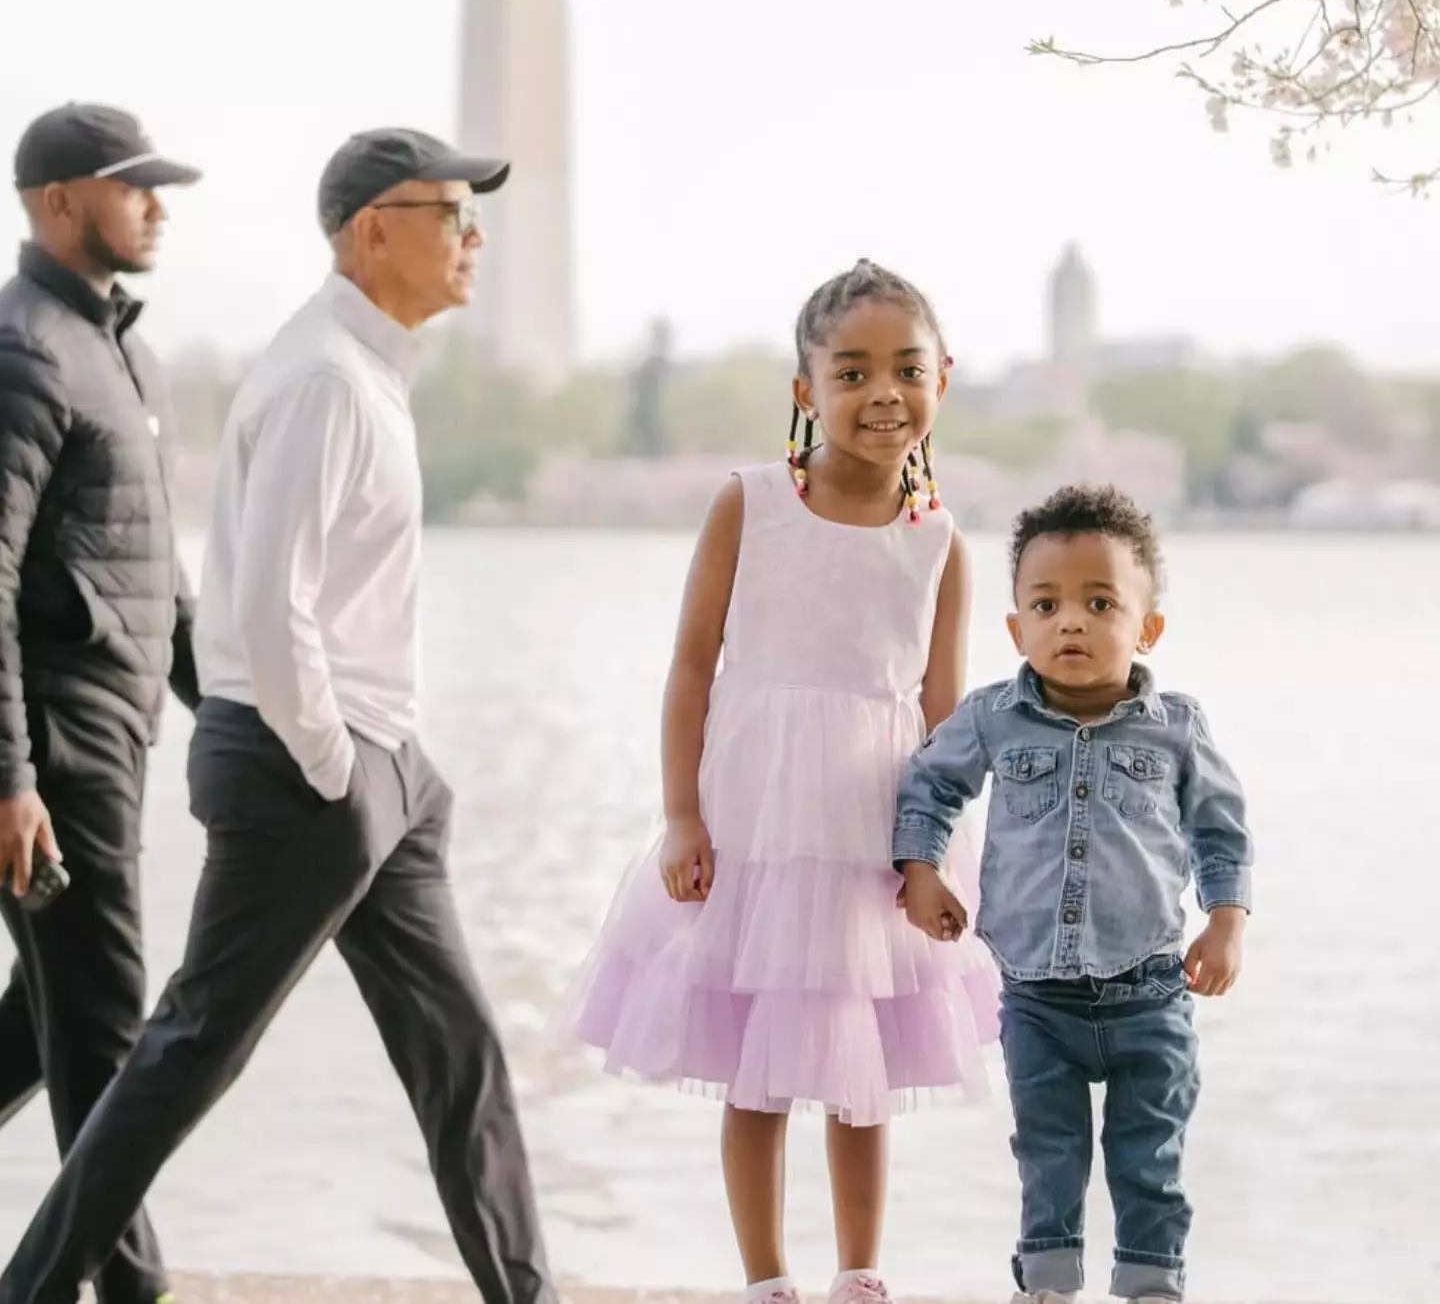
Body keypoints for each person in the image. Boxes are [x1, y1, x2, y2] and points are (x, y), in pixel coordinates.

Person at [0, 128, 557, 1304]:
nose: (474, 237)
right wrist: (330, 764)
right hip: (316, 771)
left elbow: (243, 592)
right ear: (373, 231)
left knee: (460, 1058)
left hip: (381, 769)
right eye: (450, 213)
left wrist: (386, 766)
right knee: (184, 1058)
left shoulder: (364, 372)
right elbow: (271, 600)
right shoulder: (322, 380)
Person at [562, 259, 999, 1304]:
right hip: (755, 821)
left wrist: (930, 857)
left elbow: (942, 721)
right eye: (850, 372)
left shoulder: (936, 540)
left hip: (874, 833)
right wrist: (680, 816)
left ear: (944, 375)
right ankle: (767, 1280)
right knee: (756, 1060)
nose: (881, 393)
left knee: (865, 1070)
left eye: (905, 368)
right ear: (807, 391)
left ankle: (860, 1272)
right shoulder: (749, 504)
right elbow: (689, 668)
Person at [894, 485, 1254, 1304]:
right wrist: (921, 872)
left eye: (1101, 603)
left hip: (1150, 993)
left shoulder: (1177, 728)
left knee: (1148, 1155)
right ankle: (1048, 1286)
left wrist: (1226, 921)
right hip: (1035, 998)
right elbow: (928, 788)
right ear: (1017, 627)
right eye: (1047, 604)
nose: (1071, 622)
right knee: (1049, 1153)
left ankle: (1152, 1286)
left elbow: (1221, 831)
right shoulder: (994, 719)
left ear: (1147, 627)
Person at [0, 102, 204, 1304]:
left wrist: (230, 711)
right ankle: (132, 1287)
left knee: (53, 1017)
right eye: (136, 186)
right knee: (108, 1032)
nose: (159, 206)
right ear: (59, 200)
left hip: (111, 746)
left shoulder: (128, 355)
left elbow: (159, 578)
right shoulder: (23, 350)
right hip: (54, 755)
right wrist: (11, 778)